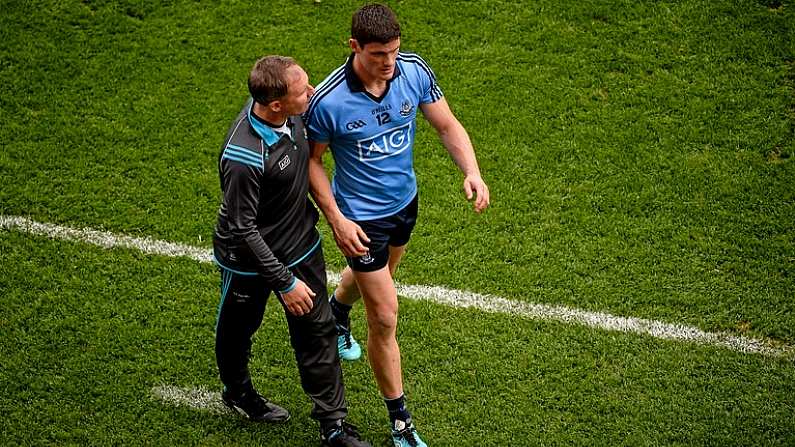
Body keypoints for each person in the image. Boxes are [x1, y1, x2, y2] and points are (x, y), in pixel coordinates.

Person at [304, 4, 490, 446]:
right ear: (354, 47)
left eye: (394, 51)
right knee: (385, 315)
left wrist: (472, 171)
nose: (389, 63)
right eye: (378, 54)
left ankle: (336, 313)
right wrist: (337, 219)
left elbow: (446, 125)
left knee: (382, 276)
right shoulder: (328, 101)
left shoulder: (412, 70)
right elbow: (313, 162)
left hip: (404, 205)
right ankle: (401, 422)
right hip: (360, 221)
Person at [212, 55, 371, 447]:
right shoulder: (243, 156)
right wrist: (284, 283)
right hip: (248, 259)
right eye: (303, 90)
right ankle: (238, 391)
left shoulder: (297, 114)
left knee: (318, 329)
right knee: (238, 330)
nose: (311, 92)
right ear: (276, 104)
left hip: (300, 243)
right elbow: (242, 227)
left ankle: (333, 425)